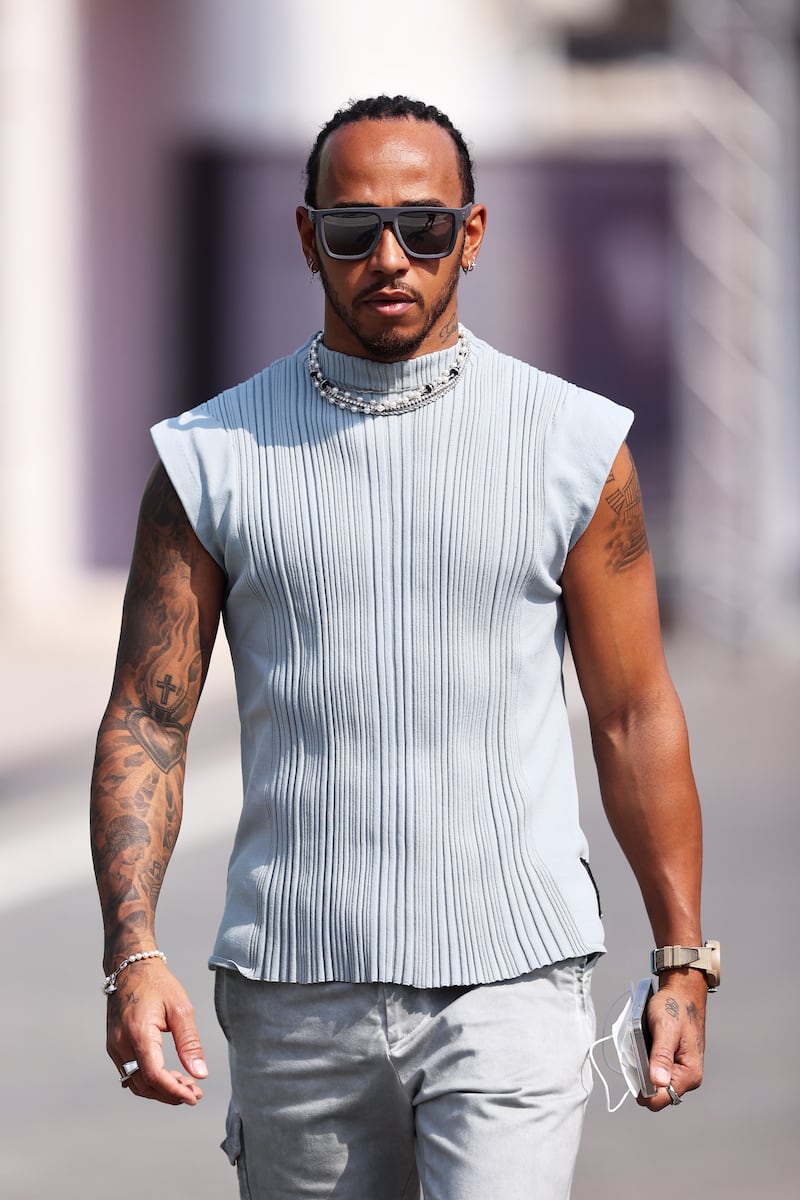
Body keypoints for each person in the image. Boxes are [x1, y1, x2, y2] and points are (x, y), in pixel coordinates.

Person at [91, 94, 714, 1199]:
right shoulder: (207, 462)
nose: (389, 256)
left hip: (513, 986)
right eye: (352, 229)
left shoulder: (572, 449)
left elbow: (632, 714)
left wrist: (680, 955)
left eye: (423, 228)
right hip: (294, 999)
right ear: (304, 237)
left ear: (470, 235)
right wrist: (131, 955)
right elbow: (148, 720)